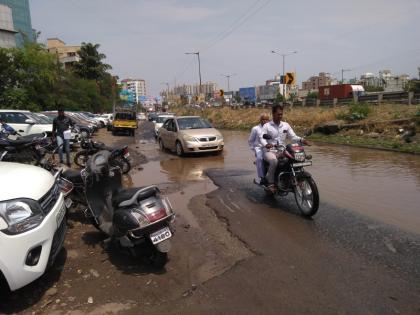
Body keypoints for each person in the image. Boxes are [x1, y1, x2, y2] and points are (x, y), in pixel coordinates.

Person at [260, 104, 309, 192]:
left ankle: (293, 179)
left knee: (295, 158)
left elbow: (293, 137)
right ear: (273, 114)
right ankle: (271, 183)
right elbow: (261, 138)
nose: (280, 116)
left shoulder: (285, 125)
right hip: (270, 151)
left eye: (281, 114)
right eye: (278, 114)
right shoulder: (267, 126)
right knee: (273, 161)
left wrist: (301, 140)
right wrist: (266, 144)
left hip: (282, 150)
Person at [248, 113, 269, 184]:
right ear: (260, 120)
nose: (265, 121)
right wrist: (254, 151)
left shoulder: (269, 128)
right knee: (259, 159)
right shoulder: (255, 129)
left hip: (268, 147)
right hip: (258, 148)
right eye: (263, 119)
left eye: (267, 119)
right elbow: (250, 141)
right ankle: (261, 177)